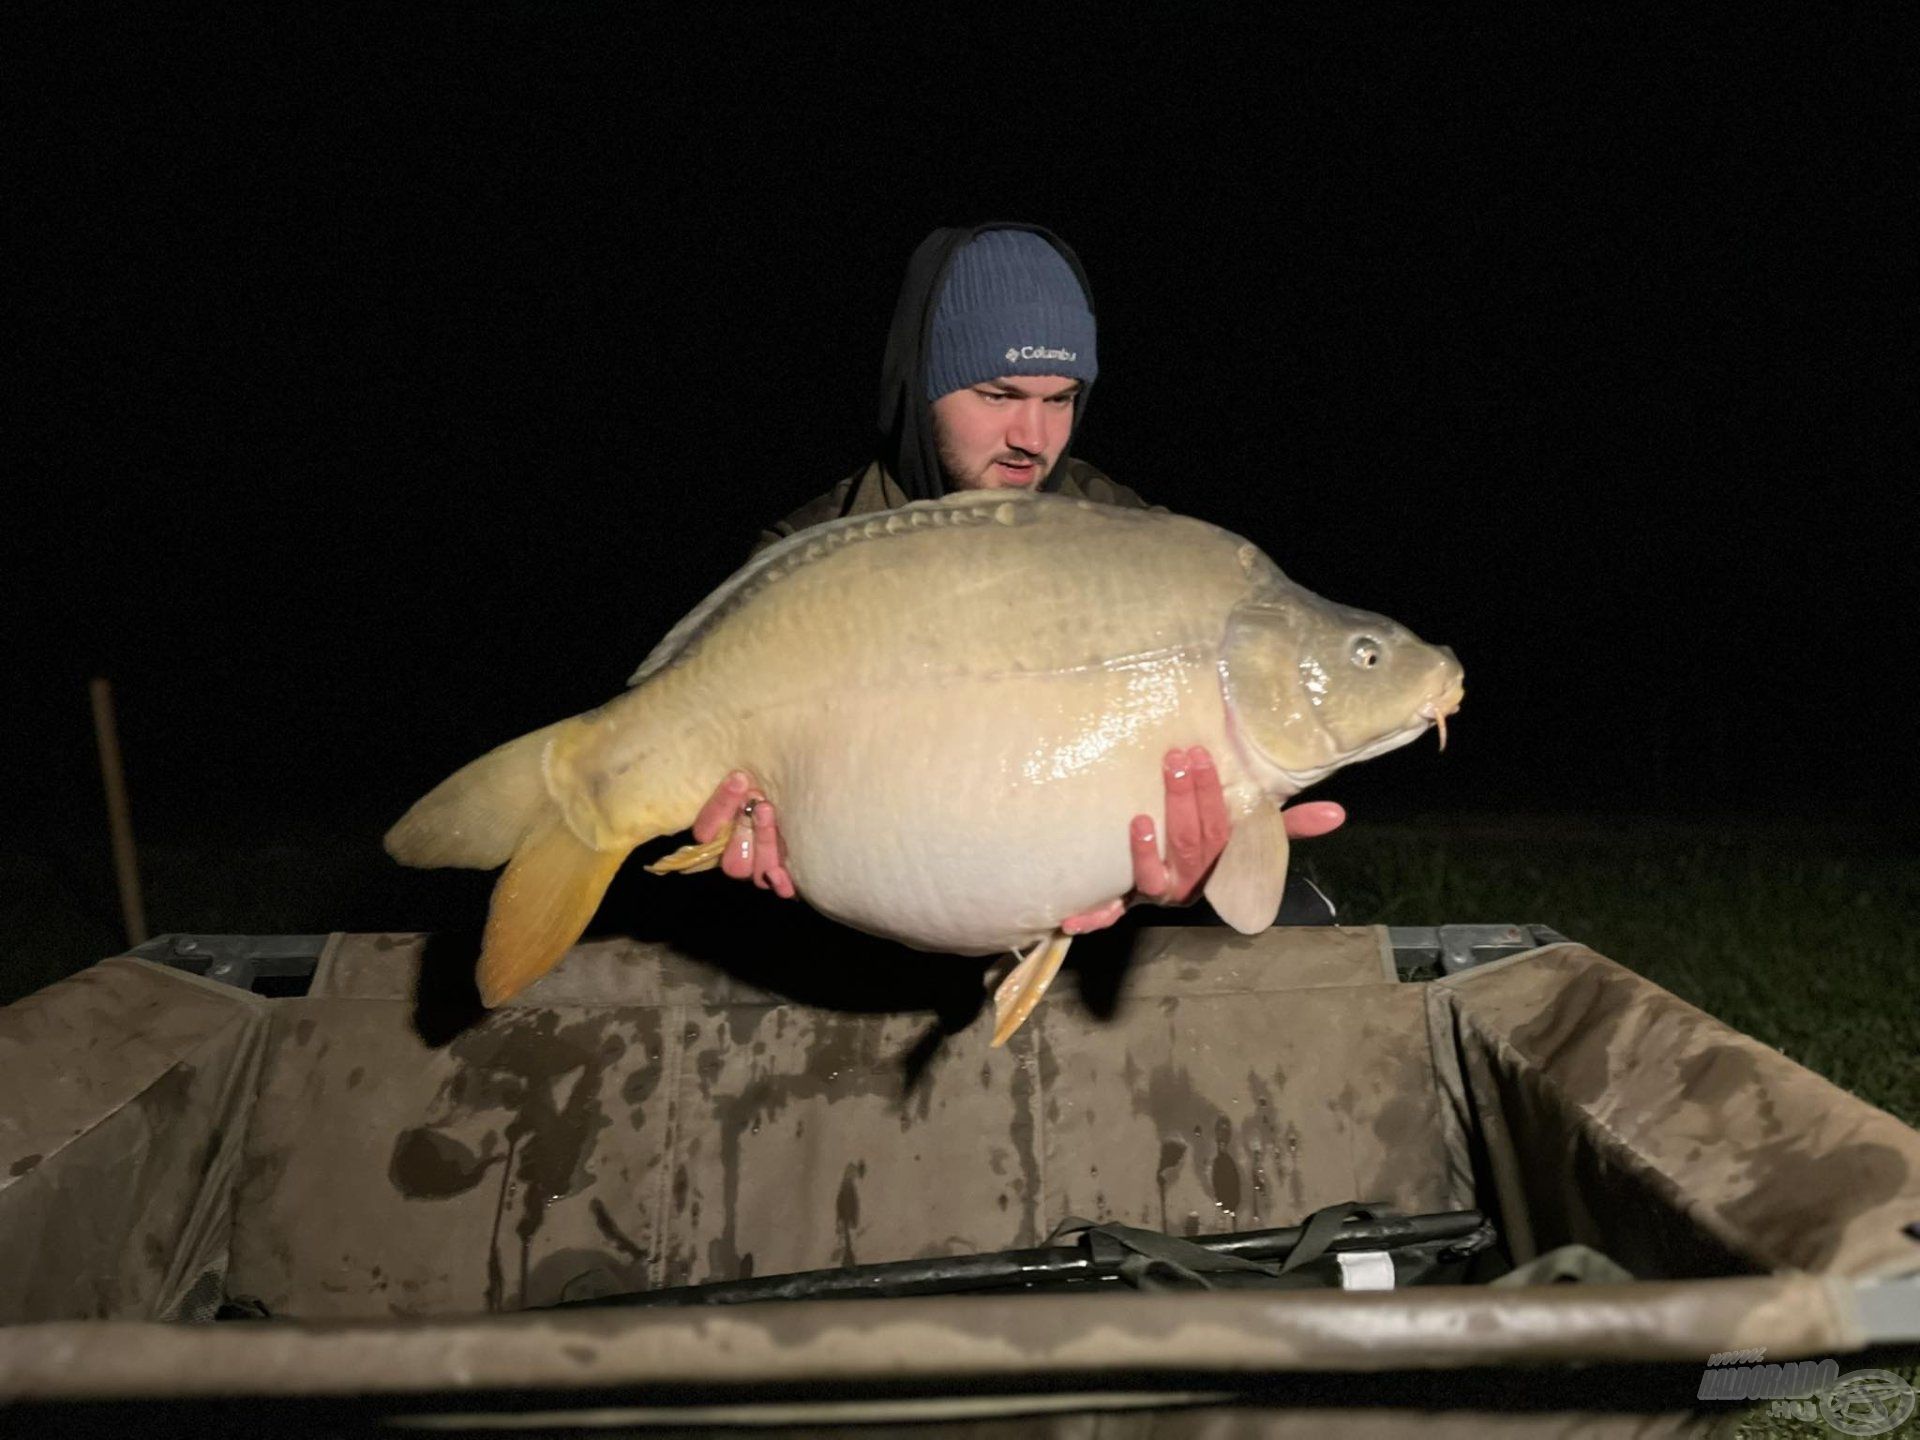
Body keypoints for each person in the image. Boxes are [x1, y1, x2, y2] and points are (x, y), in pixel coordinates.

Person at [694, 223, 1345, 931]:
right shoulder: (805, 558)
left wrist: (1203, 855)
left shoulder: (1133, 541)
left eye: (1061, 399)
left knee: (1289, 921)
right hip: (872, 910)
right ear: (920, 389)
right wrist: (742, 827)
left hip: (1073, 905)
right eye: (998, 395)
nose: (1032, 438)